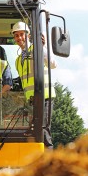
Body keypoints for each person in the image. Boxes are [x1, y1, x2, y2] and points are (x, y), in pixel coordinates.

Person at [11, 21, 57, 149]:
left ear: (28, 35)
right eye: (16, 35)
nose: (19, 38)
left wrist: (42, 47)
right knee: (33, 132)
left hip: (44, 96)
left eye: (22, 34)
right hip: (31, 101)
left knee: (42, 129)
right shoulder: (18, 60)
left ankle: (47, 163)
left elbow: (52, 64)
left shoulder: (37, 49)